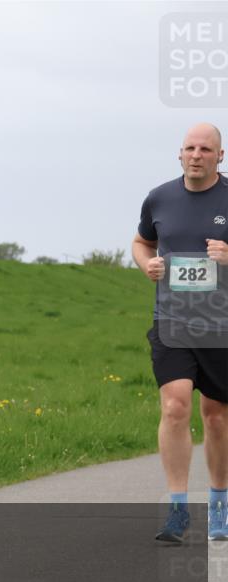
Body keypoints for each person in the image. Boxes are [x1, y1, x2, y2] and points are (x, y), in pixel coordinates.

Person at [132, 122, 228, 543]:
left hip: (221, 325)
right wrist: (147, 264)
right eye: (190, 148)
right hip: (173, 321)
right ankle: (177, 510)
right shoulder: (159, 198)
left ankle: (220, 505)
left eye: (205, 149)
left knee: (217, 417)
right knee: (174, 407)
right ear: (179, 153)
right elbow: (141, 242)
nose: (196, 155)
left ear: (220, 156)